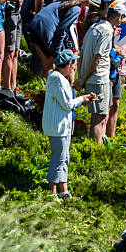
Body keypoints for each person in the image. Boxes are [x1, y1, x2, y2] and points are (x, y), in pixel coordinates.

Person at [42, 49, 97, 199]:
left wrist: (82, 98)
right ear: (67, 65)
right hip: (58, 127)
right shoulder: (57, 79)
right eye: (74, 63)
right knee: (58, 158)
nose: (74, 67)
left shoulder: (59, 78)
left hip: (62, 127)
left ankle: (63, 189)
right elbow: (66, 104)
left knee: (64, 157)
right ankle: (52, 192)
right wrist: (82, 99)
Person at [75, 2, 126, 142]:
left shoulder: (97, 26)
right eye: (122, 18)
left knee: (102, 115)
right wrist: (82, 79)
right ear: (119, 16)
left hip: (96, 78)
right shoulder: (107, 31)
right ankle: (95, 152)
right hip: (98, 78)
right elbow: (97, 57)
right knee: (98, 118)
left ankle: (99, 145)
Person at [26, 0, 83, 76]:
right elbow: (62, 30)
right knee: (49, 65)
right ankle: (53, 85)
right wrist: (55, 51)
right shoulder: (76, 8)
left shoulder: (62, 3)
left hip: (33, 27)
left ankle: (45, 83)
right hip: (45, 31)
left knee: (46, 64)